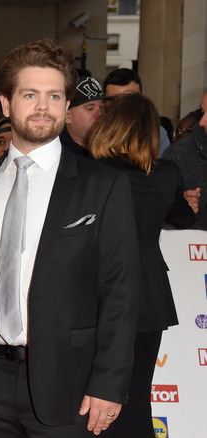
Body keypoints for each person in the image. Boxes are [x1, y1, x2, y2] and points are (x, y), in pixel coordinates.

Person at [0, 39, 139, 438]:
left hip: (70, 385)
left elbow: (121, 291)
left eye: (54, 95)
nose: (43, 106)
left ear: (65, 103)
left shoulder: (104, 186)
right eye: (30, 94)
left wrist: (109, 384)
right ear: (6, 104)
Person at [89, 92, 194, 438]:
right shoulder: (166, 174)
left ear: (110, 125)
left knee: (90, 400)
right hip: (149, 297)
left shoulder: (93, 172)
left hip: (96, 296)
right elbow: (182, 218)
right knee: (136, 400)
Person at [163, 91, 207, 229]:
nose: (202, 122)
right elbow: (156, 215)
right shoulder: (178, 154)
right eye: (203, 111)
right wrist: (180, 209)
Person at [103, 68, 171, 156]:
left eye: (129, 98)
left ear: (142, 97)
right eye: (114, 100)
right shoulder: (93, 130)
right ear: (104, 101)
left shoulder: (156, 133)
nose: (121, 106)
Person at [59, 76, 105, 157]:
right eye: (90, 108)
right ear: (67, 116)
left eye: (101, 107)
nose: (99, 113)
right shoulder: (58, 155)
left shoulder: (109, 150)